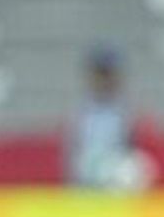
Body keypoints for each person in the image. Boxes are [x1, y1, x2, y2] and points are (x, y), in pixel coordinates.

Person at [63, 45, 151, 190]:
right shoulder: (81, 112)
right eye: (101, 74)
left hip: (116, 181)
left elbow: (131, 152)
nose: (105, 80)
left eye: (108, 74)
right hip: (87, 180)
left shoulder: (126, 111)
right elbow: (74, 154)